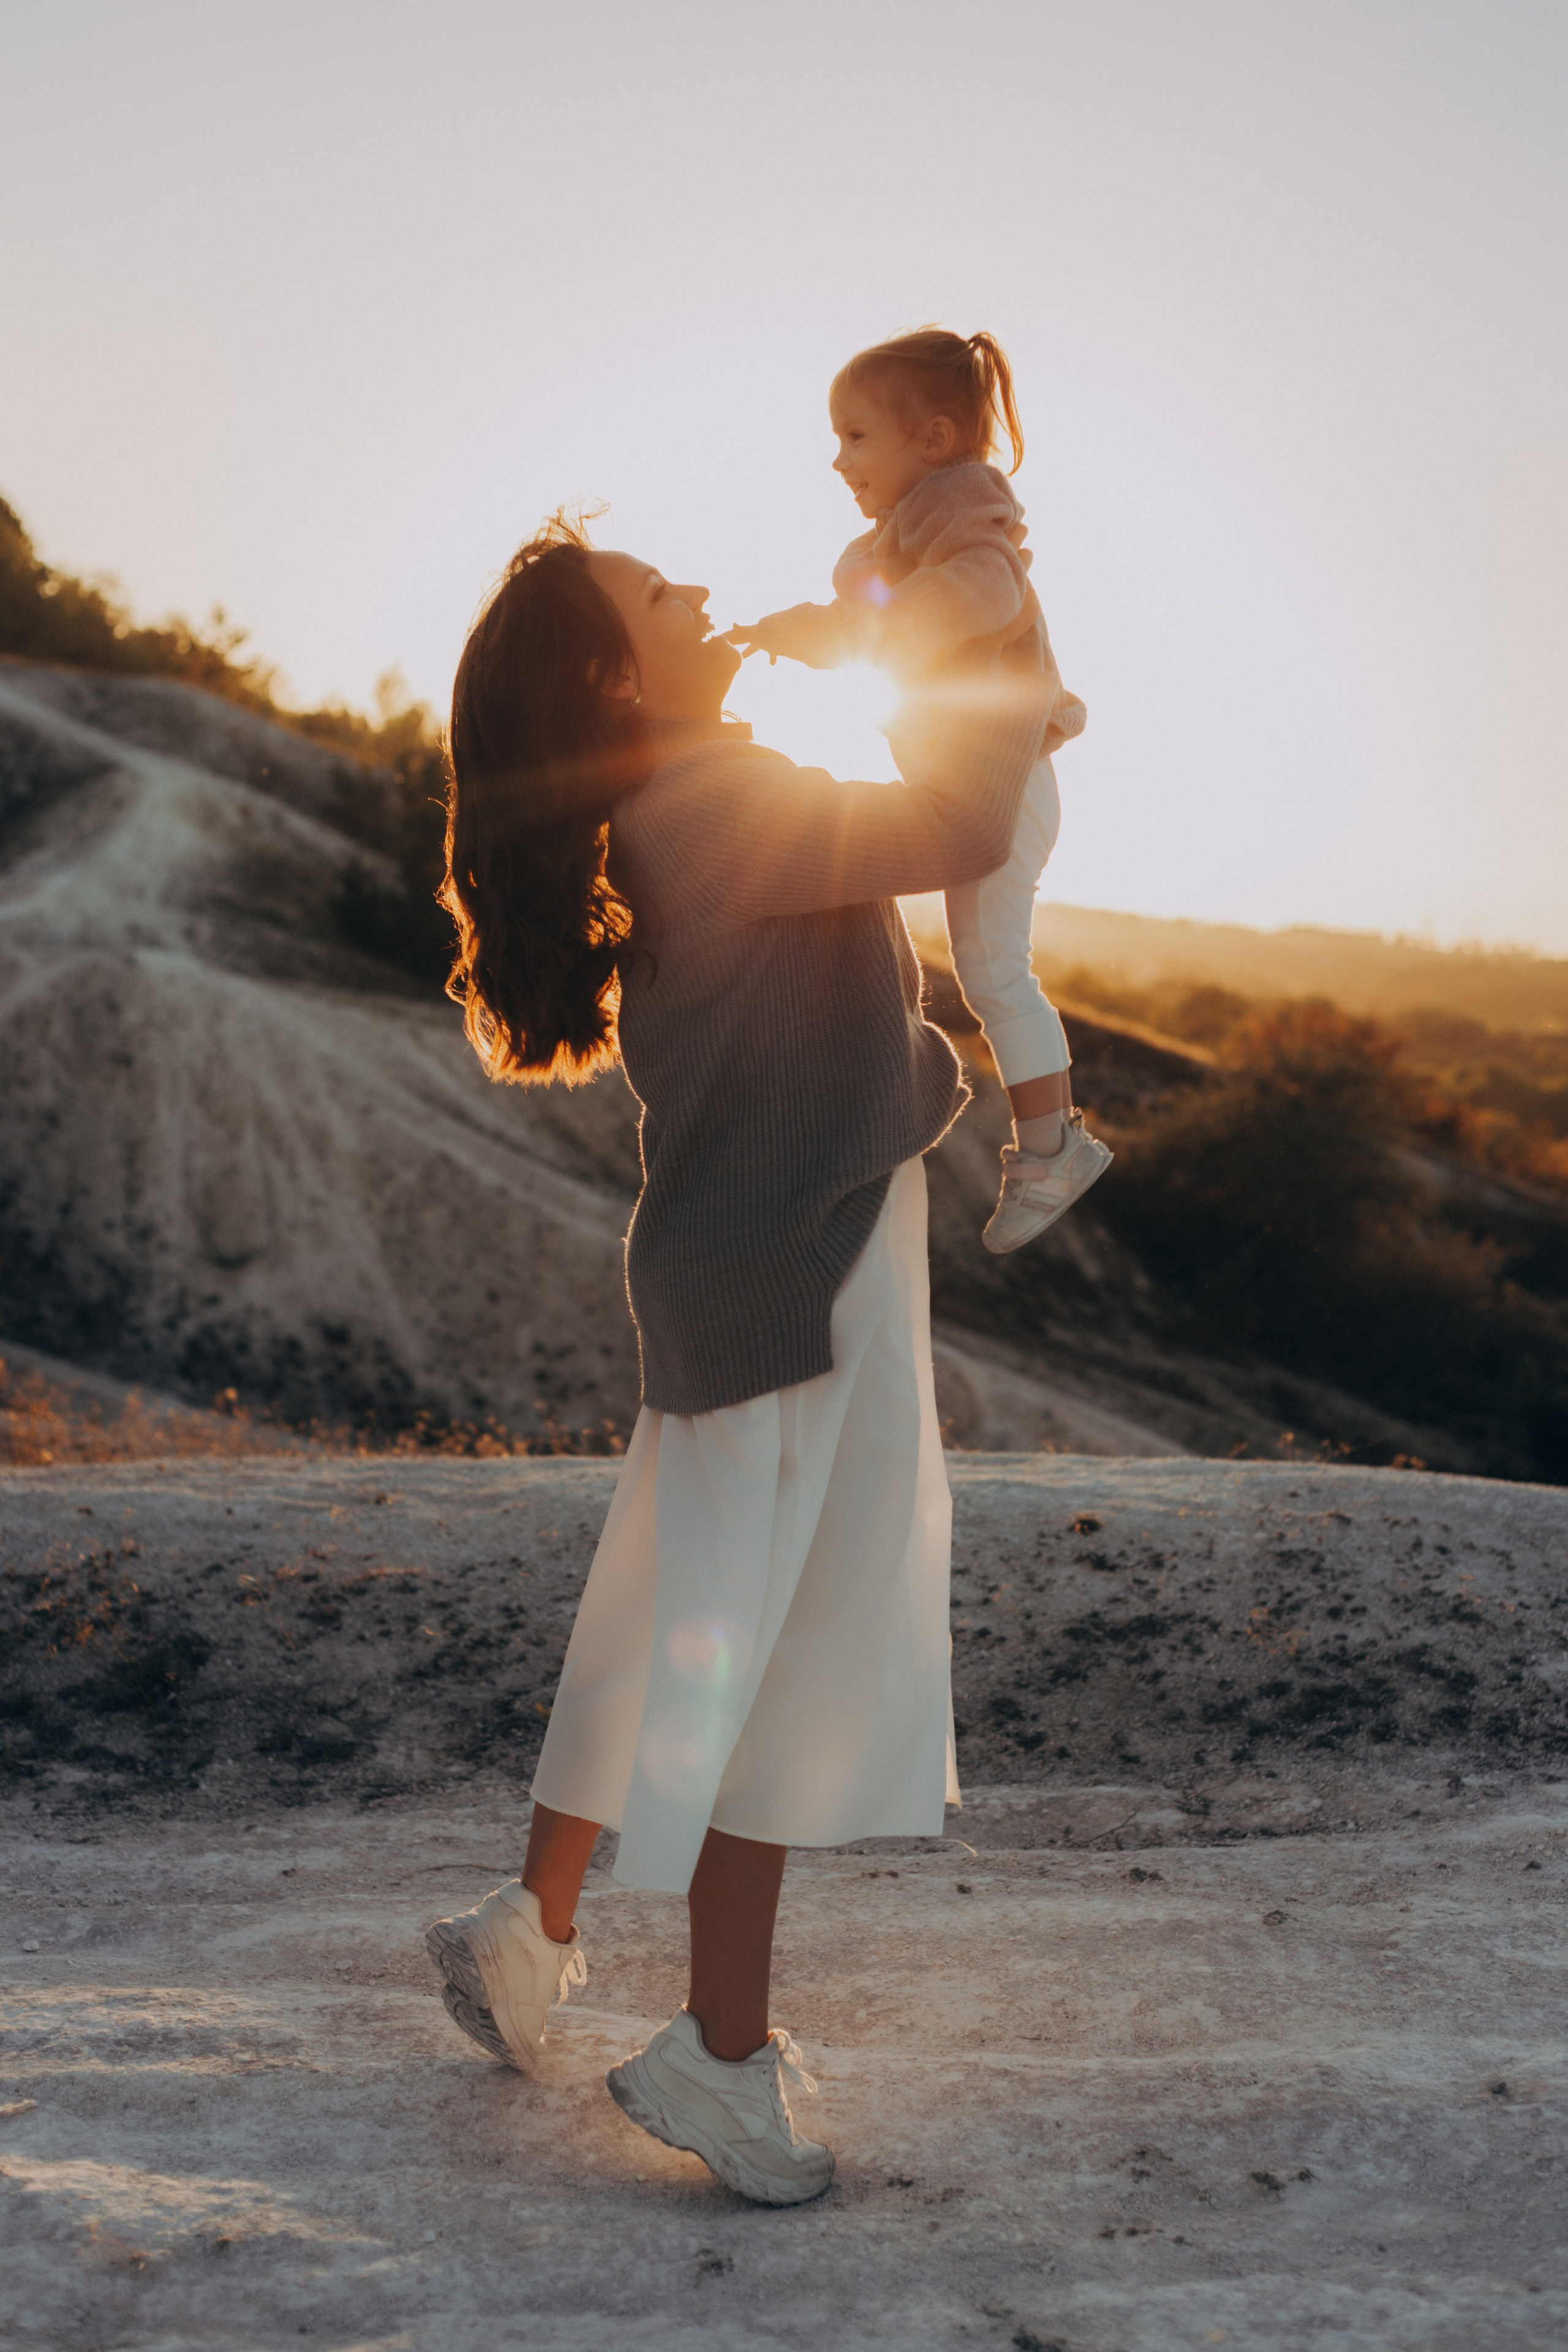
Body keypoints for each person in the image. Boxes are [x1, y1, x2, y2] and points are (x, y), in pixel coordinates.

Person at [423, 511, 1047, 2206]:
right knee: (774, 1673)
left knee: (672, 1608)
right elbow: (969, 821)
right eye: (657, 591)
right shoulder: (726, 802)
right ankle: (715, 2058)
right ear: (621, 671)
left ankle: (529, 1931)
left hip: (748, 1276)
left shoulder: (688, 804)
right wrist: (991, 636)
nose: (698, 587)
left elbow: (846, 1009)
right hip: (799, 1286)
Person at [727, 326, 1111, 1253]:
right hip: (984, 776)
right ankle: (1049, 1138)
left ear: (933, 440)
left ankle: (1054, 1147)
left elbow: (987, 591)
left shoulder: (961, 505)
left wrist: (873, 629)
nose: (837, 458)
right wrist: (797, 630)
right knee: (990, 965)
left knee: (992, 968)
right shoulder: (908, 531)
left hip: (1007, 776)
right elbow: (877, 625)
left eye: (857, 436)